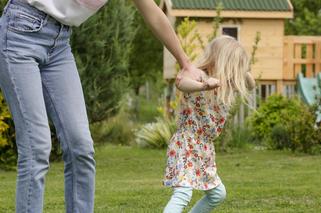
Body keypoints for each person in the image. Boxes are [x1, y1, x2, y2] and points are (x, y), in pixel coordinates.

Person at [0, 0, 202, 212]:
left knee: (81, 146)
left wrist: (185, 63)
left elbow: (153, 14)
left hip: (59, 43)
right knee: (36, 147)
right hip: (19, 32)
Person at [163, 35, 256, 213]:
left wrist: (243, 69)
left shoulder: (226, 85)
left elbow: (251, 85)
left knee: (217, 194)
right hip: (186, 144)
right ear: (221, 61)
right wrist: (204, 86)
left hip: (204, 148)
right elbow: (181, 83)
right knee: (183, 193)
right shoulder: (200, 76)